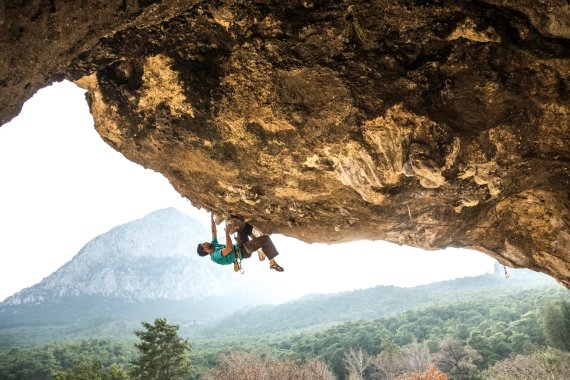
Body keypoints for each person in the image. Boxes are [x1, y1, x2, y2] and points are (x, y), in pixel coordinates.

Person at [197, 212, 284, 272]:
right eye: (203, 244)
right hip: (244, 251)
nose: (205, 242)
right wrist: (227, 233)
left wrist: (212, 212)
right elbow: (228, 248)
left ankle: (258, 244)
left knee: (245, 226)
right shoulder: (215, 255)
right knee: (265, 239)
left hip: (239, 245)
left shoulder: (213, 246)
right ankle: (272, 263)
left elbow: (213, 231)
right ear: (205, 250)